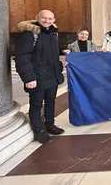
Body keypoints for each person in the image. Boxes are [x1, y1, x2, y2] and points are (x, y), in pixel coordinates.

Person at [15, 10, 65, 144]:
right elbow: (22, 58)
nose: (47, 21)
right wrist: (28, 78)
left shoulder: (53, 33)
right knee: (36, 105)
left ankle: (49, 124)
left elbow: (54, 54)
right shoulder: (29, 34)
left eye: (50, 19)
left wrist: (59, 67)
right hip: (37, 77)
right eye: (44, 18)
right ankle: (39, 131)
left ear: (53, 20)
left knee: (51, 101)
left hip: (52, 76)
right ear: (37, 18)